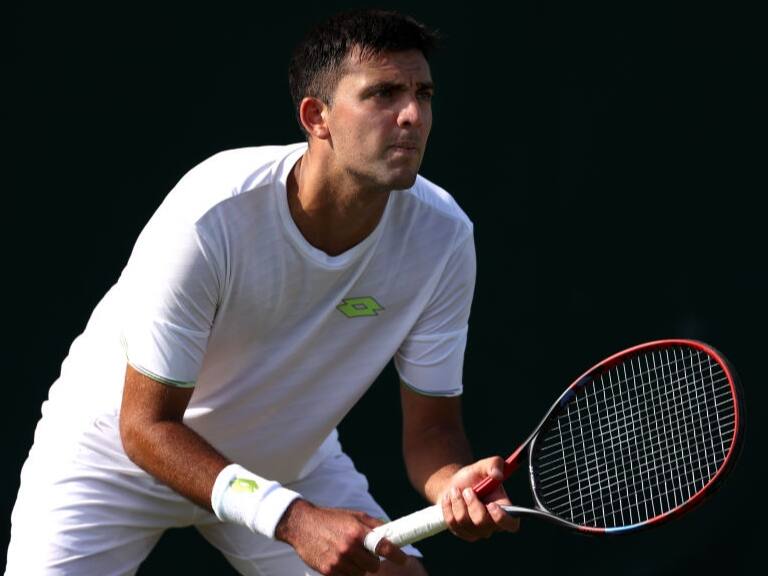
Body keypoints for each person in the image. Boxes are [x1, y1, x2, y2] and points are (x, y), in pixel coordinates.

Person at [6, 8, 519, 576]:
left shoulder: (443, 237)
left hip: (286, 463)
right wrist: (294, 519)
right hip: (115, 458)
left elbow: (433, 430)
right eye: (383, 94)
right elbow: (146, 427)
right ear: (316, 116)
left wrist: (454, 484)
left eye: (423, 93)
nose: (412, 115)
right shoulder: (210, 218)